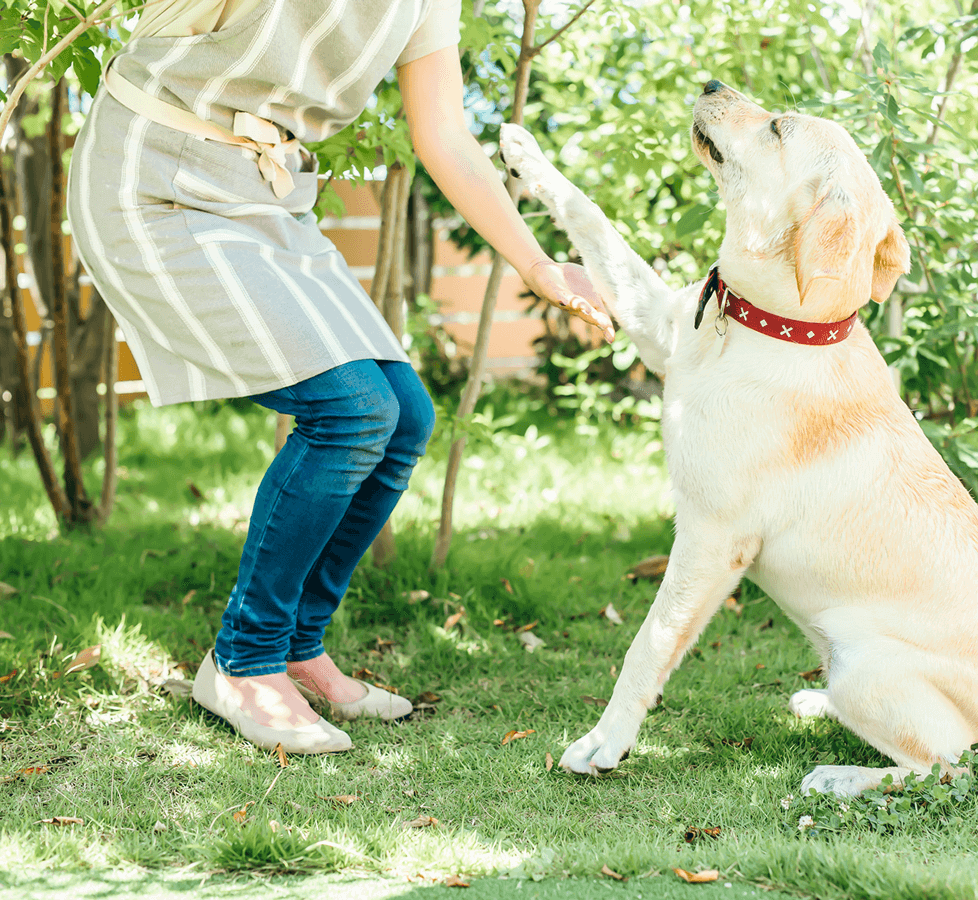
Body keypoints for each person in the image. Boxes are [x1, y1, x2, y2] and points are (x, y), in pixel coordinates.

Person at [67, 0, 614, 754]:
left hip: (263, 193)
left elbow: (445, 134)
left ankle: (295, 645)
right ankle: (243, 660)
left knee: (404, 417)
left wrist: (539, 263)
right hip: (157, 180)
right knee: (352, 410)